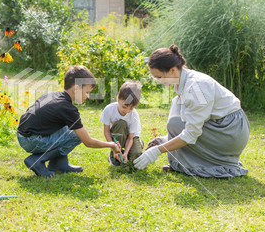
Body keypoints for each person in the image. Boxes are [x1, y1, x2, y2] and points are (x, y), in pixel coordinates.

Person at [133, 45, 250, 178]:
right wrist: (166, 139)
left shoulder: (196, 88)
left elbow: (191, 134)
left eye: (159, 77)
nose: (158, 81)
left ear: (172, 70)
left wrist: (157, 150)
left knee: (175, 123)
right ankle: (184, 162)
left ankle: (195, 164)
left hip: (230, 131)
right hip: (220, 123)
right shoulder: (182, 81)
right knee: (176, 106)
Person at [17, 65, 121, 178]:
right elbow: (88, 142)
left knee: (69, 129)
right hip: (32, 140)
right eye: (87, 92)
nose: (88, 96)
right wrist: (111, 145)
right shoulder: (67, 108)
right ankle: (37, 160)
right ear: (76, 88)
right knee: (76, 135)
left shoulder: (52, 95)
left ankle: (59, 164)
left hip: (23, 135)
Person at [100, 81, 143, 166]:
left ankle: (139, 144)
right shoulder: (109, 109)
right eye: (124, 107)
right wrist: (113, 149)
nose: (127, 111)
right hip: (118, 136)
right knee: (121, 123)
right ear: (118, 98)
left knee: (135, 159)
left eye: (131, 108)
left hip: (131, 138)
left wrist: (126, 153)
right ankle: (113, 155)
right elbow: (106, 132)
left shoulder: (134, 115)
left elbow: (130, 138)